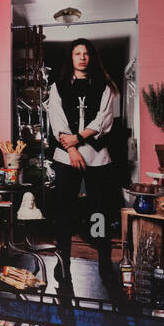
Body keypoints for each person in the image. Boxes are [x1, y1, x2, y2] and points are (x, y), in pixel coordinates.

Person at [46, 37, 120, 295]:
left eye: (86, 53)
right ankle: (63, 261)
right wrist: (72, 149)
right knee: (63, 212)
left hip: (98, 157)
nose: (82, 57)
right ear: (72, 58)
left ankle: (103, 262)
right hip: (68, 157)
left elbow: (103, 121)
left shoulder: (105, 86)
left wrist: (77, 139)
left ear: (91, 57)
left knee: (99, 211)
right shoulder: (57, 87)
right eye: (77, 53)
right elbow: (57, 120)